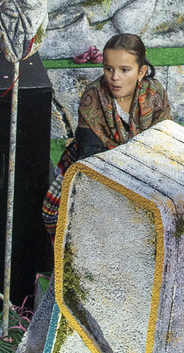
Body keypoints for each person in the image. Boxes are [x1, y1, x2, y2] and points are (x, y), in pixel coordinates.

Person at [42, 33, 171, 231]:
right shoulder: (93, 97)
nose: (114, 77)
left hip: (146, 168)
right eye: (108, 68)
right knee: (57, 215)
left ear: (141, 71)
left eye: (124, 70)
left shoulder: (155, 93)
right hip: (96, 168)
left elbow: (164, 141)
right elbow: (91, 156)